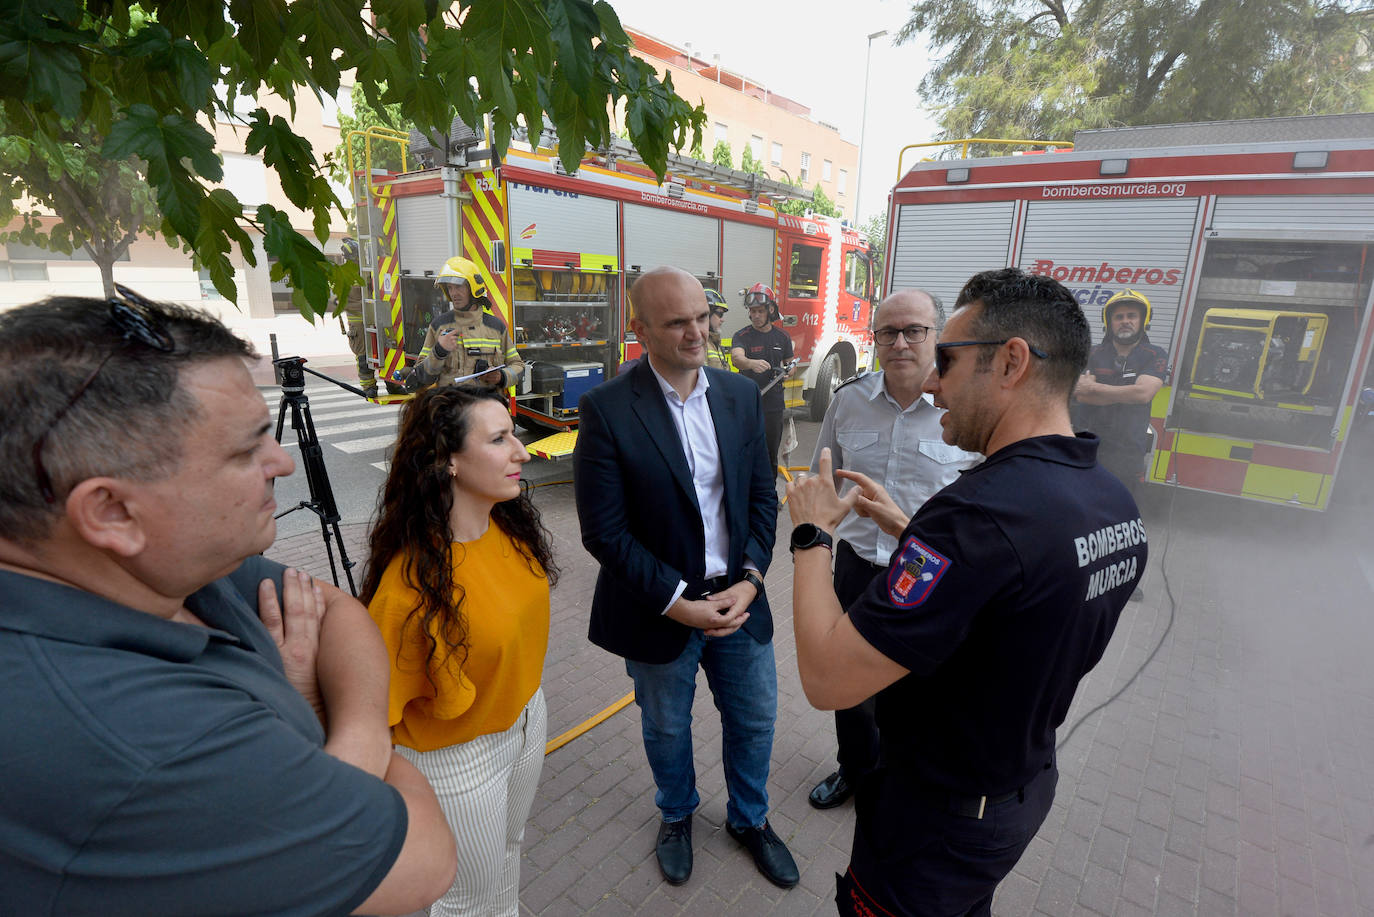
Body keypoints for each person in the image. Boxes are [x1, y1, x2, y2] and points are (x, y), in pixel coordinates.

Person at [0, 290, 455, 916]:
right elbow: (422, 861)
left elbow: (336, 613)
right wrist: (315, 717)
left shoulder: (155, 562)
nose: (282, 464)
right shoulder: (141, 739)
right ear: (111, 511)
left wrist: (349, 743)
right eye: (245, 452)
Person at [786, 268, 1146, 917]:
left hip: (933, 821)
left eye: (945, 359)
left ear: (1011, 362)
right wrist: (909, 527)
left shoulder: (975, 517)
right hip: (1018, 790)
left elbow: (826, 677)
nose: (929, 380)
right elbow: (1012, 600)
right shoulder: (1111, 500)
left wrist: (811, 532)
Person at [573, 266, 798, 890]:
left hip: (738, 597)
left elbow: (760, 498)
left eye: (703, 316)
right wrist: (678, 603)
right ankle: (676, 815)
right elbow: (604, 533)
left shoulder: (738, 395)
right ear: (639, 328)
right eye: (677, 322)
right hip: (657, 606)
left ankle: (749, 820)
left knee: (755, 719)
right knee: (666, 724)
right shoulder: (607, 409)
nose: (697, 331)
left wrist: (751, 580)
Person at [362, 385, 555, 916]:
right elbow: (371, 717)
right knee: (466, 898)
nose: (521, 451)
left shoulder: (511, 530)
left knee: (508, 853)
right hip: (457, 759)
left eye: (513, 434)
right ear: (448, 461)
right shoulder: (408, 587)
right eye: (499, 439)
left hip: (524, 720)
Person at [805, 289, 981, 812]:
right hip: (857, 569)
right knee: (848, 682)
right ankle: (855, 769)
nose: (900, 343)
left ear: (938, 336)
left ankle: (901, 779)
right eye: (888, 332)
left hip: (928, 572)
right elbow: (823, 478)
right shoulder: (848, 399)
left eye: (914, 331)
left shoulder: (963, 409)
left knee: (919, 685)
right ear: (874, 338)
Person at [1073, 289, 1169, 494]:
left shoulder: (1154, 355)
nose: (1125, 321)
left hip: (1128, 453)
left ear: (1143, 320)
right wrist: (1127, 395)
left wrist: (1095, 389)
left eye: (1132, 316)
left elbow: (1143, 394)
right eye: (1119, 317)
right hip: (1088, 447)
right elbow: (1081, 394)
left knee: (1118, 510)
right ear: (1109, 322)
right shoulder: (1092, 353)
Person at [406, 256, 524, 392]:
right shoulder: (439, 326)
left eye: (458, 287)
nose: (453, 293)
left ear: (473, 288)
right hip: (452, 409)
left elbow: (518, 367)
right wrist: (439, 351)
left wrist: (501, 376)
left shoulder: (496, 327)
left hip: (485, 408)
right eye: (450, 288)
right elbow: (421, 377)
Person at [731, 283, 795, 475]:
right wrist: (751, 363)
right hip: (748, 403)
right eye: (752, 311)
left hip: (774, 406)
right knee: (745, 450)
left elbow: (791, 365)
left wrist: (787, 371)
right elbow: (737, 358)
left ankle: (769, 498)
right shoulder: (742, 335)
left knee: (770, 453)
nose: (755, 315)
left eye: (759, 311)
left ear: (771, 310)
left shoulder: (782, 336)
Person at [337, 237, 380, 398]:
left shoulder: (367, 271)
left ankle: (392, 384)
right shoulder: (343, 275)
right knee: (363, 357)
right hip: (358, 323)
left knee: (385, 352)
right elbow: (339, 302)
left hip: (375, 319)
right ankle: (369, 386)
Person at [704, 288, 732, 370]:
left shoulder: (714, 343)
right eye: (720, 314)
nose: (722, 319)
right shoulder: (700, 345)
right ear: (707, 314)